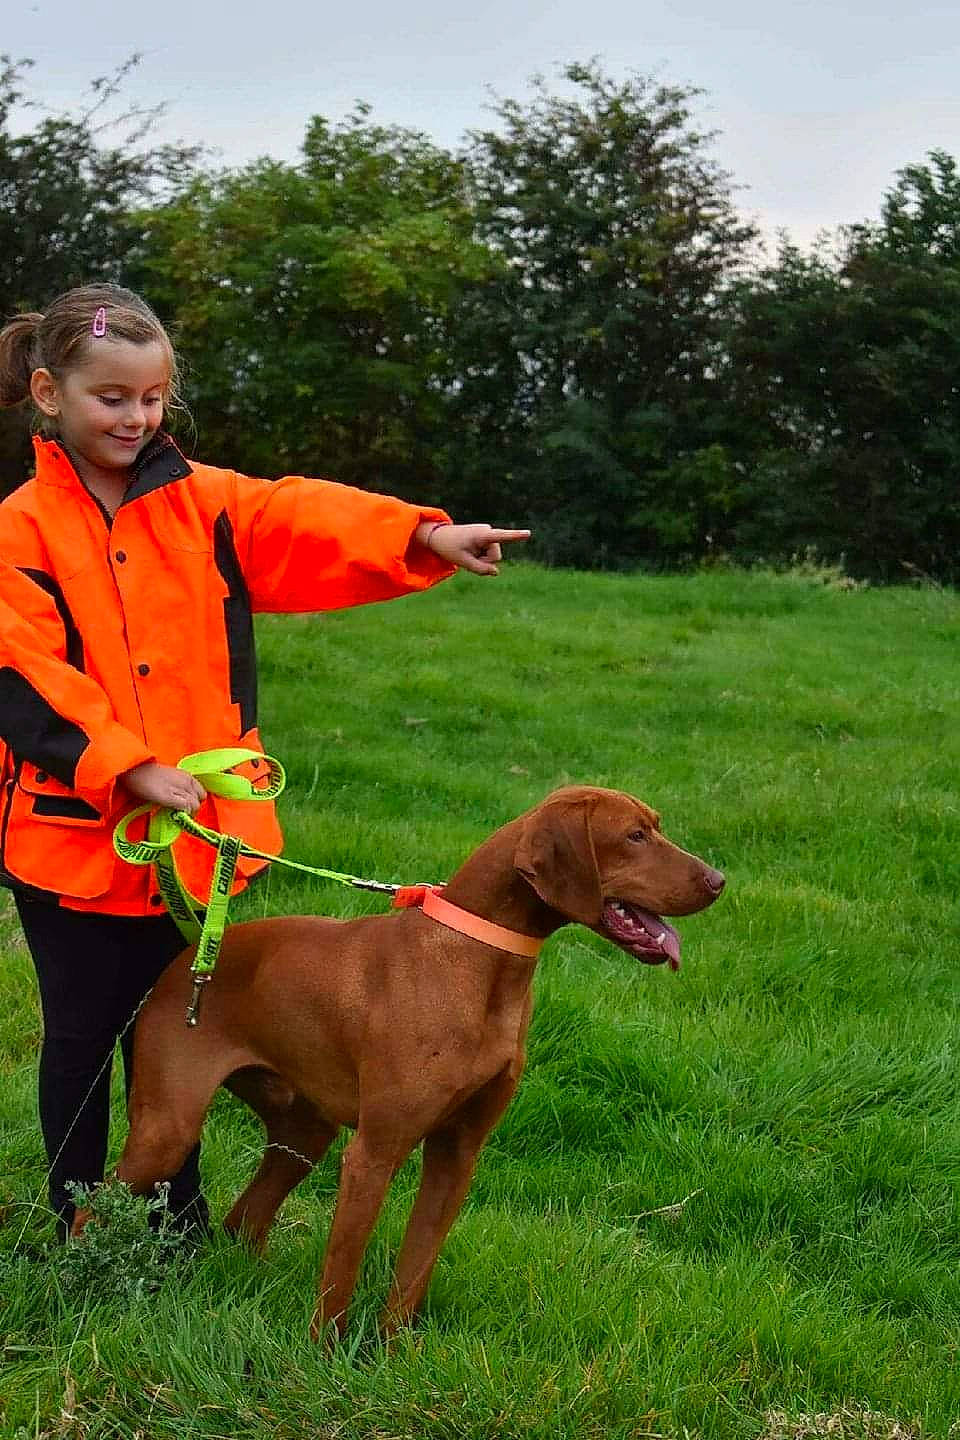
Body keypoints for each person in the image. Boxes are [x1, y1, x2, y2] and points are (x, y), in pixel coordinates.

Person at [0, 282, 529, 1240]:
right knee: (82, 1038)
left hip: (195, 841)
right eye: (110, 398)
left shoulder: (208, 507)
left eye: (153, 397)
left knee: (183, 1030)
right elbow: (24, 673)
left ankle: (173, 1217)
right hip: (75, 846)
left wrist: (423, 534)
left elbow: (304, 518)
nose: (137, 417)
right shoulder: (18, 530)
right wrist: (126, 767)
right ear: (49, 395)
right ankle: (77, 1224)